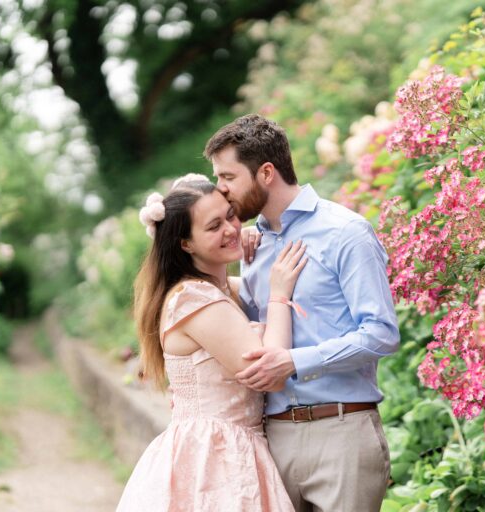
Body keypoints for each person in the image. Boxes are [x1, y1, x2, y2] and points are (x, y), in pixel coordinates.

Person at [204, 114, 400, 511]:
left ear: (266, 172)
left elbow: (381, 332)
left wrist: (293, 362)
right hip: (272, 439)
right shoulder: (250, 246)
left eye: (228, 178)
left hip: (342, 433)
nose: (220, 190)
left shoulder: (346, 232)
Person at [116, 175, 307, 511]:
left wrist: (255, 254)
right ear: (185, 244)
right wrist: (279, 295)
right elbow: (270, 370)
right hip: (214, 458)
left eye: (231, 215)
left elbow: (249, 286)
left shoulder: (218, 291)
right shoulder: (193, 299)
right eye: (214, 225)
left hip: (230, 447)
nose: (231, 228)